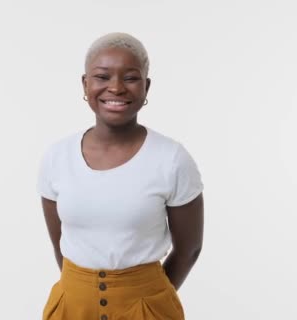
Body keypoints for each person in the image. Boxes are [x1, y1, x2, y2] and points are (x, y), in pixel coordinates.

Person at [37, 32, 204, 320]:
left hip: (147, 307)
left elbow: (189, 248)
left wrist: (147, 296)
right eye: (102, 77)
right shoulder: (57, 157)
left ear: (146, 86)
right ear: (85, 84)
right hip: (71, 307)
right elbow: (60, 244)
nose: (115, 88)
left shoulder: (172, 159)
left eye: (130, 78)